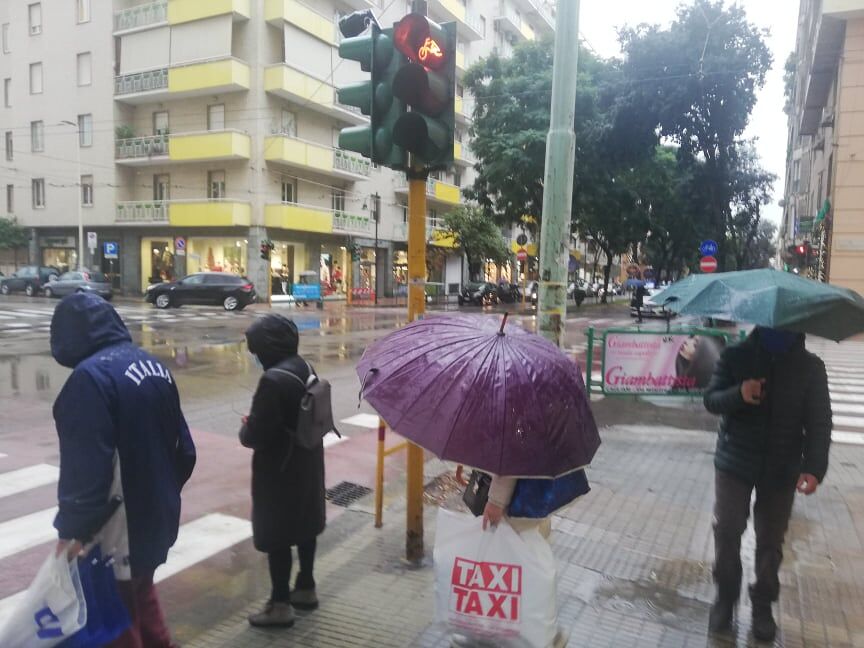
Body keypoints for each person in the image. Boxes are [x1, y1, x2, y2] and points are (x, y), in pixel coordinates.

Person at [50, 293, 196, 648]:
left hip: (115, 527)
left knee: (115, 620)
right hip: (156, 513)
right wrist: (161, 490)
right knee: (141, 599)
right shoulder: (154, 366)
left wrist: (72, 532)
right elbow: (186, 451)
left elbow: (85, 470)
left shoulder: (90, 380)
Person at [703, 326, 832, 641]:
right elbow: (711, 400)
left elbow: (820, 420)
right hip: (735, 459)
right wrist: (740, 393)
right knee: (728, 528)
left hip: (782, 466)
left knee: (770, 540)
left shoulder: (811, 367)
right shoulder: (736, 356)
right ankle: (726, 594)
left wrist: (814, 467)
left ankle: (762, 604)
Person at [240, 315, 326, 628]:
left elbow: (257, 435)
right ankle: (305, 586)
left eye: (257, 349)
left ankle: (279, 604)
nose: (256, 356)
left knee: (278, 535)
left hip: (279, 470)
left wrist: (245, 429)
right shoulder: (305, 367)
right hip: (307, 460)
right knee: (305, 524)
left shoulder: (272, 380)